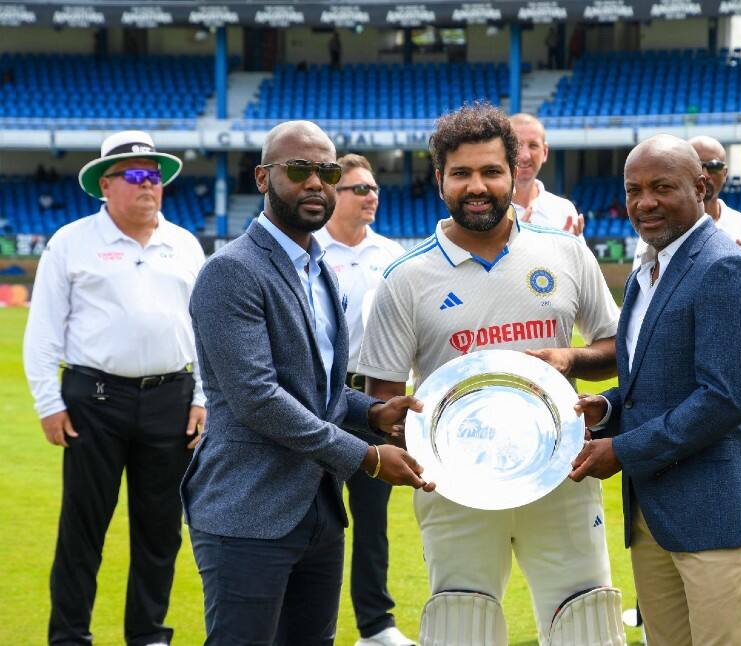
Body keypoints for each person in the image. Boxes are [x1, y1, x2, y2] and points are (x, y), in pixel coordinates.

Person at [357, 104, 626, 646]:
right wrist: (396, 422)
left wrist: (569, 360)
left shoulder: (566, 252)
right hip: (456, 482)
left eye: (490, 171)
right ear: (439, 180)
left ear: (514, 172)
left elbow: (619, 347)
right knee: (463, 624)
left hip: (561, 472)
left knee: (587, 622)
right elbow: (382, 397)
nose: (476, 186)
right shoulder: (404, 279)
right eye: (461, 173)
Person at [182, 121, 434, 646]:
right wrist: (364, 456)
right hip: (247, 509)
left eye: (328, 171)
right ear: (262, 178)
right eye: (300, 170)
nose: (316, 183)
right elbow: (258, 398)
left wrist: (370, 413)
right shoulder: (232, 271)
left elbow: (319, 390)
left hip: (317, 507)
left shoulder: (320, 271)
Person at [571, 134, 741, 646]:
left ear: (702, 186)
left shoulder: (726, 267)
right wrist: (606, 407)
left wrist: (620, 449)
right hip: (653, 513)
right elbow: (651, 384)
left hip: (717, 516)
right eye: (633, 189)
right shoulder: (650, 270)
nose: (644, 202)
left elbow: (722, 399)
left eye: (662, 187)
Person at [23, 130, 207, 646]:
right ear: (106, 185)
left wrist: (202, 398)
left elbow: (206, 333)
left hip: (172, 399)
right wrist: (47, 403)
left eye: (155, 176)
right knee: (83, 529)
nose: (149, 185)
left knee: (160, 531)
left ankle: (148, 634)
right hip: (93, 401)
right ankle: (69, 637)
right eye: (134, 175)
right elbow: (43, 332)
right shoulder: (72, 241)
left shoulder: (185, 244)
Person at [313, 154, 414, 646]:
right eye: (359, 189)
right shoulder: (310, 252)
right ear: (334, 195)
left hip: (376, 397)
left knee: (372, 521)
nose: (371, 195)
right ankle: (313, 623)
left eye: (374, 188)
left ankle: (376, 625)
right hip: (322, 398)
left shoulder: (390, 255)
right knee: (317, 516)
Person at [634, 135, 741, 316]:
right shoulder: (659, 228)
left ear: (725, 173)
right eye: (695, 165)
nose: (704, 173)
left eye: (713, 166)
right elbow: (642, 300)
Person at [509, 113, 584, 235]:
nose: (525, 156)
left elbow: (578, 254)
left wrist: (569, 250)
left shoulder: (564, 210)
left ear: (545, 152)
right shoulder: (488, 211)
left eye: (533, 146)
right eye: (516, 146)